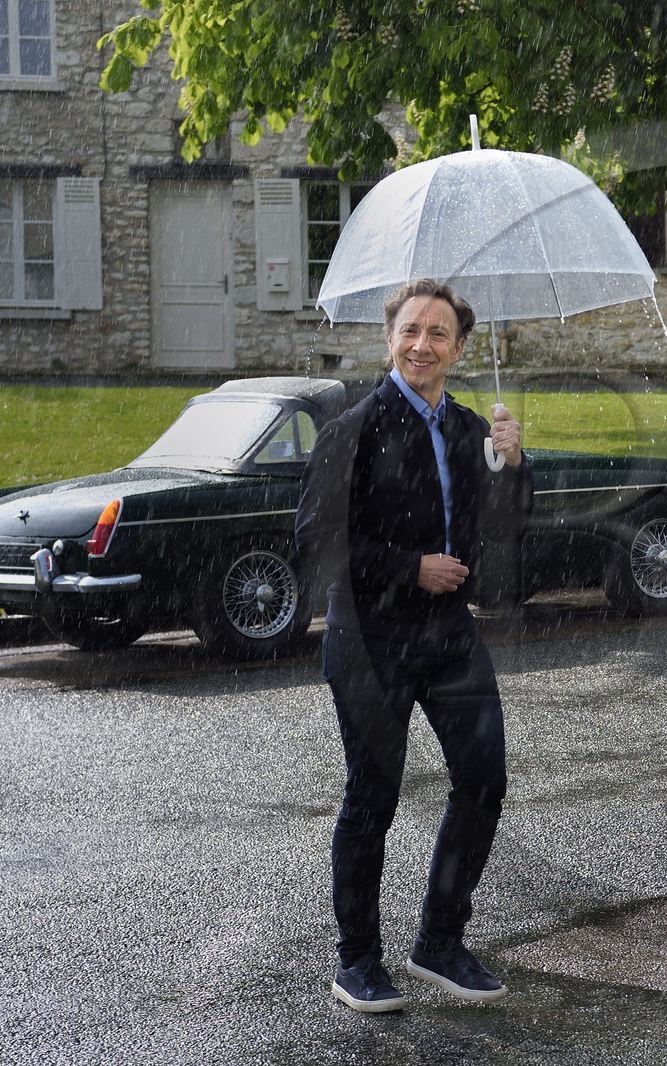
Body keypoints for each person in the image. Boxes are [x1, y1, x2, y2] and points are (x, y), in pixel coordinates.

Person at [295, 278, 531, 1013]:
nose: (422, 345)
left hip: (450, 635)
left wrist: (512, 466)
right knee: (373, 798)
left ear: (460, 348)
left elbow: (501, 531)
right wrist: (409, 567)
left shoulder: (467, 429)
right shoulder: (353, 428)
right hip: (371, 638)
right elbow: (316, 540)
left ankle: (438, 942)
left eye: (438, 334)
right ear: (389, 338)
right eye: (410, 331)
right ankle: (357, 961)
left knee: (483, 781)